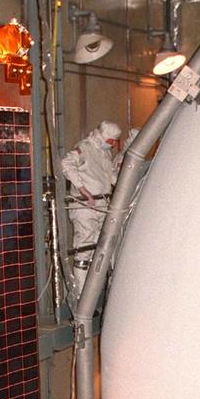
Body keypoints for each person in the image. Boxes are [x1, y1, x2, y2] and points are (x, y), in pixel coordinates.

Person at [60, 120, 122, 293]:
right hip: (85, 208)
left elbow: (110, 176)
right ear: (102, 136)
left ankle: (93, 294)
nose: (112, 144)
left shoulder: (104, 153)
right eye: (110, 140)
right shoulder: (84, 148)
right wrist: (83, 190)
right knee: (84, 249)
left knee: (100, 248)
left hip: (102, 206)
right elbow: (66, 164)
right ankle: (81, 296)